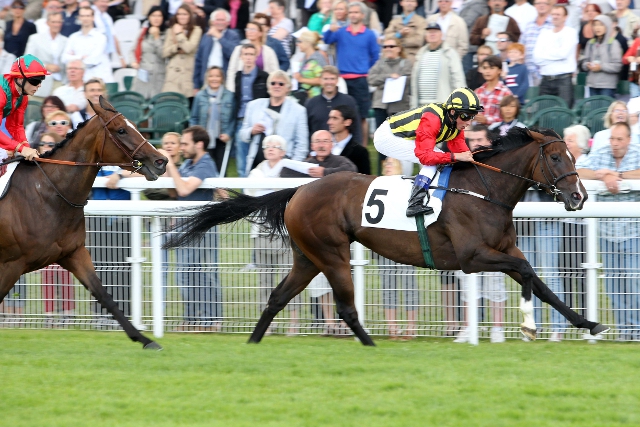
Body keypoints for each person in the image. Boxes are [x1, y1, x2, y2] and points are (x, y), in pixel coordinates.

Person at [373, 87, 483, 217]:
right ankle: (415, 202)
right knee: (435, 160)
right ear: (453, 112)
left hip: (403, 137)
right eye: (466, 116)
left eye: (472, 117)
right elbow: (425, 156)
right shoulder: (432, 119)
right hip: (387, 137)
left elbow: (463, 153)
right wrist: (456, 156)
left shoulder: (457, 124)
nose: (469, 122)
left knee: (445, 160)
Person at [577, 122, 640, 340]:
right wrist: (602, 176)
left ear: (629, 140)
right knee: (613, 282)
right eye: (612, 139)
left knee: (633, 281)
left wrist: (618, 174)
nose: (614, 144)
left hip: (633, 232)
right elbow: (579, 170)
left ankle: (637, 328)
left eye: (619, 140)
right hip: (606, 231)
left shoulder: (637, 153)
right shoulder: (601, 152)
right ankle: (624, 330)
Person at [161, 125, 222, 332]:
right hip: (184, 226)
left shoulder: (204, 164)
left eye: (185, 143)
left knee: (198, 274)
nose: (182, 147)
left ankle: (210, 320)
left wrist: (171, 165)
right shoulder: (188, 163)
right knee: (186, 274)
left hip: (200, 228)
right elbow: (174, 191)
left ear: (200, 144)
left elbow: (185, 189)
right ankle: (193, 319)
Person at [453, 124, 506, 344]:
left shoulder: (500, 168)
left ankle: (497, 329)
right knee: (466, 280)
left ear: (489, 141)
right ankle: (468, 327)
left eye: (479, 139)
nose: (475, 143)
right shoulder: (460, 166)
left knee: (495, 280)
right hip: (466, 232)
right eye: (471, 139)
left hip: (493, 232)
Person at [245, 134, 299, 335]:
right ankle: (268, 323)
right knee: (264, 280)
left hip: (285, 233)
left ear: (283, 151)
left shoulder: (291, 171)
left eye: (275, 146)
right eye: (267, 145)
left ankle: (294, 322)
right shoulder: (256, 172)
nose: (270, 148)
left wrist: (268, 190)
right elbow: (252, 195)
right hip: (261, 232)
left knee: (290, 278)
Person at [323, 1, 380, 146]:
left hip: (361, 79)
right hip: (342, 79)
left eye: (356, 12)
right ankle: (341, 144)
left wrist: (367, 70)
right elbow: (327, 39)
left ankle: (362, 147)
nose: (353, 15)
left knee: (361, 116)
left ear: (362, 15)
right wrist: (331, 29)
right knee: (341, 113)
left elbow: (376, 56)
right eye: (351, 12)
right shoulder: (341, 32)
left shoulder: (369, 34)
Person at [374, 157, 418, 340]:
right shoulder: (377, 187)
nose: (388, 164)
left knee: (409, 286)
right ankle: (392, 328)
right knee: (387, 287)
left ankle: (411, 329)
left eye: (393, 162)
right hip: (384, 244)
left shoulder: (409, 186)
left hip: (406, 245)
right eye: (386, 163)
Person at [38, 131, 76, 327]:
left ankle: (69, 312)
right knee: (48, 273)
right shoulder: (33, 166)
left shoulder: (63, 168)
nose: (47, 146)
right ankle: (49, 315)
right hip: (41, 227)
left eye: (51, 143)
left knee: (65, 271)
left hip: (61, 225)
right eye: (44, 143)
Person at [240, 70, 309, 176]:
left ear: (288, 88)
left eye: (281, 84)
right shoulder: (253, 106)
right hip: (257, 165)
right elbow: (242, 135)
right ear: (268, 87)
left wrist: (291, 167)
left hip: (284, 167)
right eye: (273, 83)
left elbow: (302, 145)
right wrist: (252, 131)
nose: (277, 86)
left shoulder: (298, 110)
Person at [559, 124, 591, 327]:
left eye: (569, 140)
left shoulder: (588, 161)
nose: (565, 143)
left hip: (584, 226)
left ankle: (587, 312)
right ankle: (570, 315)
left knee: (583, 272)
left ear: (579, 144)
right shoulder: (563, 163)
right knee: (565, 270)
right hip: (566, 223)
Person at [367, 36, 413, 169]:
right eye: (385, 46)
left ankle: (402, 171)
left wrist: (389, 80)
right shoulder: (380, 63)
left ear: (399, 49)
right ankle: (383, 172)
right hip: (381, 106)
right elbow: (371, 79)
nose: (388, 49)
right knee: (382, 141)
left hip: (399, 107)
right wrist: (388, 77)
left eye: (391, 46)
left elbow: (408, 80)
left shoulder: (406, 63)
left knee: (399, 141)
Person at [0, 54, 49, 162]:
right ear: (20, 79)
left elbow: (15, 126)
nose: (39, 85)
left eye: (41, 80)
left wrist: (26, 147)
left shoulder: (23, 96)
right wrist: (20, 148)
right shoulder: (1, 93)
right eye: (35, 81)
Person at [190, 66, 235, 174]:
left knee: (222, 170)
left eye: (217, 76)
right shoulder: (200, 96)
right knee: (204, 168)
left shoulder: (229, 96)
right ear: (207, 78)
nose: (214, 79)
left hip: (222, 138)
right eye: (211, 76)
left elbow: (233, 118)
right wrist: (195, 136)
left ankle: (222, 190)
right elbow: (194, 117)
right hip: (204, 139)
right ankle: (206, 190)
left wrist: (228, 133)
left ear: (222, 78)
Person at [233, 43, 269, 177]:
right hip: (241, 122)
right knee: (242, 164)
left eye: (251, 54)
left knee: (258, 162)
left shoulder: (264, 76)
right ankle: (244, 194)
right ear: (241, 57)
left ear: (256, 56)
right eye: (245, 54)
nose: (248, 57)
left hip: (258, 123)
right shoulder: (237, 76)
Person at [410, 23, 466, 109]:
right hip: (421, 106)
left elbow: (458, 79)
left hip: (442, 105)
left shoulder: (450, 53)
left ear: (441, 35)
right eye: (429, 32)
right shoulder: (420, 54)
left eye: (435, 31)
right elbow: (414, 83)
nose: (432, 34)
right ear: (425, 36)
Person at [306, 65, 363, 146]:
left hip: (344, 150)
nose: (329, 82)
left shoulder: (349, 101)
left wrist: (357, 150)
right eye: (325, 79)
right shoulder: (311, 103)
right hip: (318, 150)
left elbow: (356, 128)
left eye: (332, 79)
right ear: (320, 80)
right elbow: (307, 130)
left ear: (337, 80)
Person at [533, 5, 578, 108]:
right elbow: (536, 58)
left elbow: (563, 53)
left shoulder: (570, 32)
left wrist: (545, 55)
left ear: (565, 17)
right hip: (545, 80)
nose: (555, 17)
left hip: (563, 81)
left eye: (558, 14)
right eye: (553, 14)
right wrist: (556, 55)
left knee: (564, 114)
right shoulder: (544, 34)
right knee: (543, 114)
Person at [161, 3, 203, 100]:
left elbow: (189, 48)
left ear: (190, 16)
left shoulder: (196, 30)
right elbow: (164, 52)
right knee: (171, 103)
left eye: (185, 14)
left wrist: (179, 33)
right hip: (173, 74)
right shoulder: (170, 30)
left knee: (186, 103)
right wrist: (177, 48)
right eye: (179, 14)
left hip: (187, 73)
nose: (181, 17)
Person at [62, 6, 114, 83]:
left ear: (93, 18)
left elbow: (93, 60)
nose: (85, 18)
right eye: (82, 16)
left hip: (99, 79)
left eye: (88, 16)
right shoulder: (73, 37)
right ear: (79, 18)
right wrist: (80, 57)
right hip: (80, 80)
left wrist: (73, 58)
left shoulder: (101, 37)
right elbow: (64, 58)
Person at [193, 9, 240, 91]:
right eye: (217, 20)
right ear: (213, 22)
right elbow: (198, 61)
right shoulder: (206, 36)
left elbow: (234, 54)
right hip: (206, 79)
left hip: (225, 80)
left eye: (223, 20)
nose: (220, 22)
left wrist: (219, 37)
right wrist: (196, 85)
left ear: (228, 22)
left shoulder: (233, 36)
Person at [224, 21, 279, 92]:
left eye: (253, 29)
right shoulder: (238, 49)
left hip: (262, 90)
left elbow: (274, 72)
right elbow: (232, 70)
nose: (249, 32)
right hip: (241, 89)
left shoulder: (269, 51)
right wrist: (231, 89)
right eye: (247, 29)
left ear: (260, 33)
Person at [281, 129, 357, 177]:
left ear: (332, 145)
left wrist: (324, 172)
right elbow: (285, 173)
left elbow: (352, 170)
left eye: (325, 141)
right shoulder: (307, 164)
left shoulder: (340, 160)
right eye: (317, 141)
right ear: (312, 146)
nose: (321, 145)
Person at [129, 6, 167, 99]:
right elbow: (132, 50)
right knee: (139, 101)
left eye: (159, 16)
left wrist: (157, 37)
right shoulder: (143, 32)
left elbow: (163, 54)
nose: (156, 18)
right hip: (143, 73)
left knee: (157, 102)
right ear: (149, 17)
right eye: (153, 15)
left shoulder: (167, 33)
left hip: (159, 76)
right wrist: (133, 62)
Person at [581, 14, 623, 98]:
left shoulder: (613, 43)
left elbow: (617, 66)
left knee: (605, 110)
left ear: (607, 26)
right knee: (594, 110)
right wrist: (587, 65)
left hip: (607, 86)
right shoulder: (590, 43)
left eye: (601, 25)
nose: (597, 28)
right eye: (595, 25)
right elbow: (584, 63)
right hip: (592, 84)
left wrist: (601, 67)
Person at [24, 12, 67, 89]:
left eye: (59, 22)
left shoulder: (66, 40)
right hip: (40, 83)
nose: (56, 24)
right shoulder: (35, 38)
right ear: (47, 23)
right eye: (53, 22)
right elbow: (27, 61)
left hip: (60, 82)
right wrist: (46, 66)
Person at [328, 105, 370, 174]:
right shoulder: (325, 146)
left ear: (347, 122)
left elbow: (365, 180)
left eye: (335, 118)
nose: (329, 122)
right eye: (330, 118)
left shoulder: (360, 152)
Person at [474, 55, 513, 126]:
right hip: (477, 131)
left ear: (499, 71)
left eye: (492, 68)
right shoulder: (477, 91)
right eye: (485, 68)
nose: (487, 71)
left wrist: (486, 120)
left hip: (496, 132)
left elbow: (508, 119)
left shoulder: (506, 93)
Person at [521, 0, 553, 87]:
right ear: (534, 6)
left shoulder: (554, 25)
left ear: (550, 6)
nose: (541, 6)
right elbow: (521, 47)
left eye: (544, 3)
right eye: (538, 3)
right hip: (529, 73)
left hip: (547, 73)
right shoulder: (529, 25)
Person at [292, 31, 327, 101]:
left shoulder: (317, 58)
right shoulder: (305, 57)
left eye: (300, 41)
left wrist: (301, 79)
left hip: (315, 99)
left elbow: (321, 80)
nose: (297, 44)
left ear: (307, 43)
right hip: (304, 96)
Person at [92, 0, 126, 69]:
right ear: (95, 2)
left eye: (106, 2)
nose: (104, 4)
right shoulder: (90, 15)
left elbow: (114, 37)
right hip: (93, 54)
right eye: (102, 1)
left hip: (106, 54)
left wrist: (121, 57)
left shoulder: (107, 17)